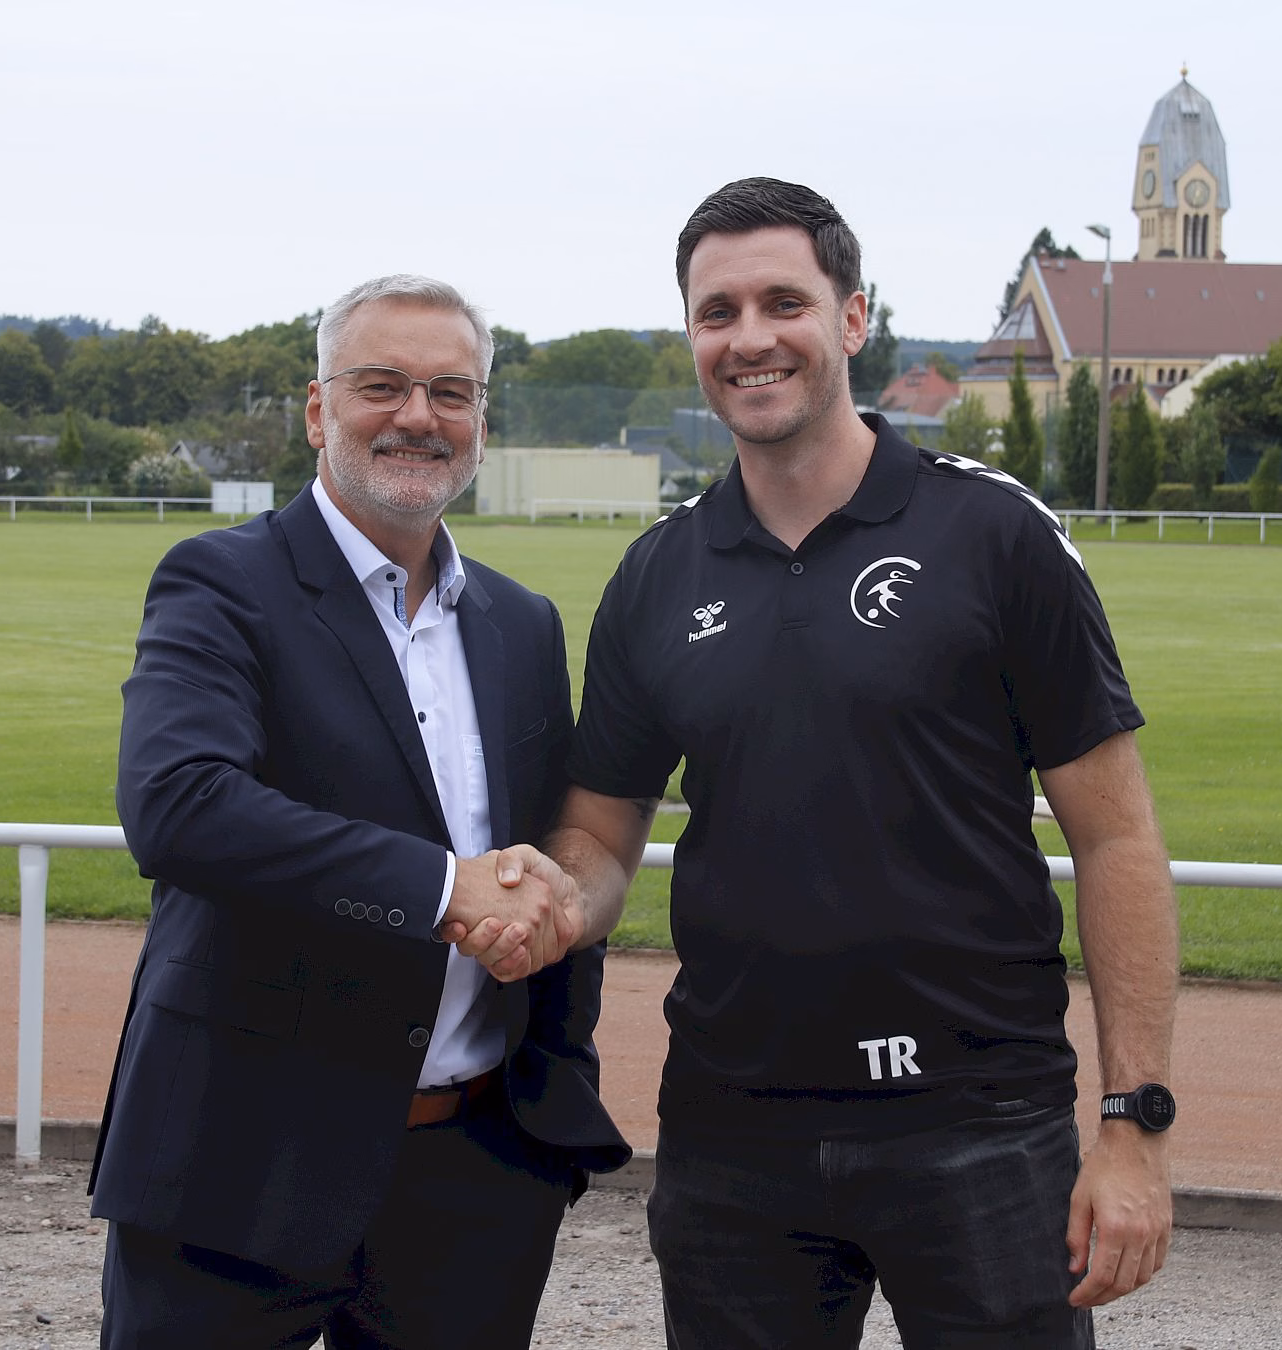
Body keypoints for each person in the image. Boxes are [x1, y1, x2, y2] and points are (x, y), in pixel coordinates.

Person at [482, 178, 1180, 1347]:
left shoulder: (995, 536)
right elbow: (600, 838)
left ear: (853, 318)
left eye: (782, 302)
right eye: (718, 312)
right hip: (734, 1134)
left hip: (978, 1123)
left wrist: (1132, 1128)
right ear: (693, 337)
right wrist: (555, 900)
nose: (749, 338)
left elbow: (1118, 838)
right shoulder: (656, 576)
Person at [91, 274, 628, 1349]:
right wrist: (442, 889)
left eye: (450, 391)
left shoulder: (521, 624)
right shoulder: (220, 582)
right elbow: (178, 805)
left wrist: (552, 1094)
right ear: (316, 410)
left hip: (473, 1173)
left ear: (481, 417)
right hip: (243, 1162)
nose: (418, 416)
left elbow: (539, 854)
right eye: (381, 385)